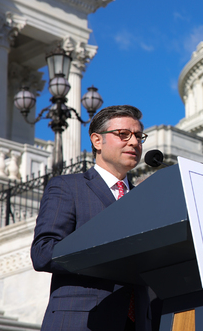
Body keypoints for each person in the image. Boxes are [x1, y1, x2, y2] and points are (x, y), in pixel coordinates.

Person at [31, 105, 152, 331]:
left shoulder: (144, 201)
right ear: (97, 141)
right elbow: (43, 252)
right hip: (82, 321)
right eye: (123, 135)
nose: (134, 142)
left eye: (138, 136)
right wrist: (111, 252)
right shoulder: (68, 187)